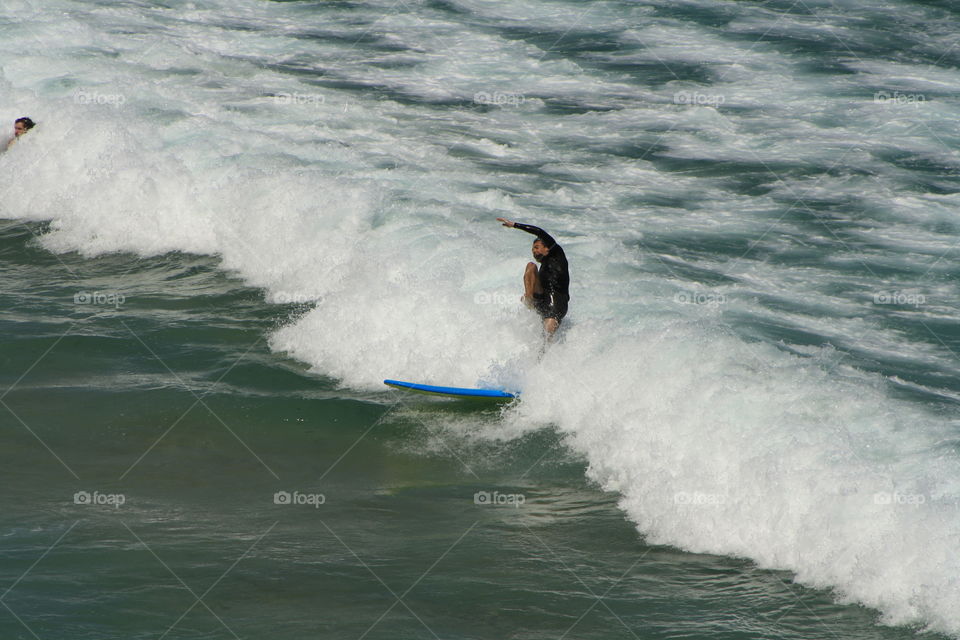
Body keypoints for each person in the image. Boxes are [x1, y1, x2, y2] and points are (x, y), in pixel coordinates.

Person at [496, 217, 570, 339]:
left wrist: (514, 225)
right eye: (532, 249)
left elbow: (540, 232)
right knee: (531, 267)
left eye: (536, 247)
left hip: (557, 302)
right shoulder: (542, 269)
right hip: (542, 300)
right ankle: (530, 300)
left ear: (547, 248)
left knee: (547, 337)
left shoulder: (557, 254)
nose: (534, 251)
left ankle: (545, 355)